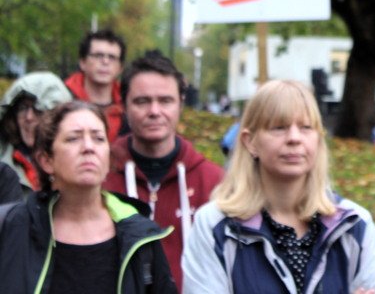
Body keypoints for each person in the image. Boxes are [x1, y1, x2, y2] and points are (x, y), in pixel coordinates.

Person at [182, 79, 375, 294]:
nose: (294, 138)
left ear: (318, 139)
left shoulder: (354, 225)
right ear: (250, 141)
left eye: (306, 128)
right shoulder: (214, 227)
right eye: (279, 128)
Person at [0, 100, 177, 293]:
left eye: (99, 138)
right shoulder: (13, 227)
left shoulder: (140, 235)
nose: (88, 147)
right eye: (73, 139)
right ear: (46, 160)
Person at [103, 50, 224, 292]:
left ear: (181, 103)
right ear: (124, 106)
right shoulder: (101, 177)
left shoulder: (214, 182)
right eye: (142, 101)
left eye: (165, 100)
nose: (155, 111)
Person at [0, 71, 73, 195]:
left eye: (38, 109)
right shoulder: (3, 164)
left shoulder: (76, 163)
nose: (29, 117)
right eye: (23, 108)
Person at [64, 28, 127, 142]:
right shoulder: (62, 100)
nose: (105, 62)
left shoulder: (129, 106)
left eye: (112, 57)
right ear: (82, 63)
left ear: (120, 68)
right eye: (98, 55)